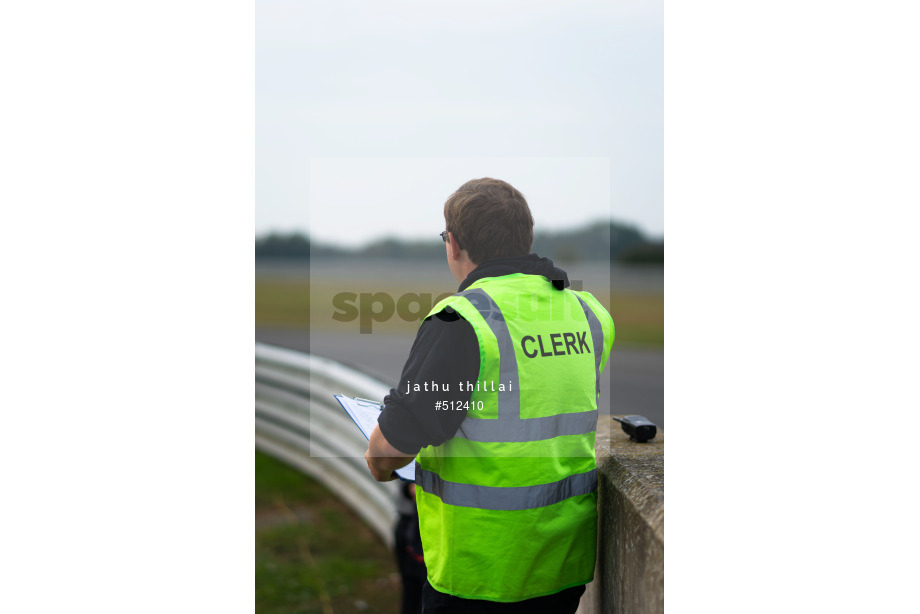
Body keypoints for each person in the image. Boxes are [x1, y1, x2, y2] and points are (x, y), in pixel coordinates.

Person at [364, 178, 614, 613]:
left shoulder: (462, 321)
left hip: (480, 574)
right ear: (525, 237)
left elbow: (388, 451)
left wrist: (380, 465)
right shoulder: (590, 313)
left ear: (454, 243)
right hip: (560, 566)